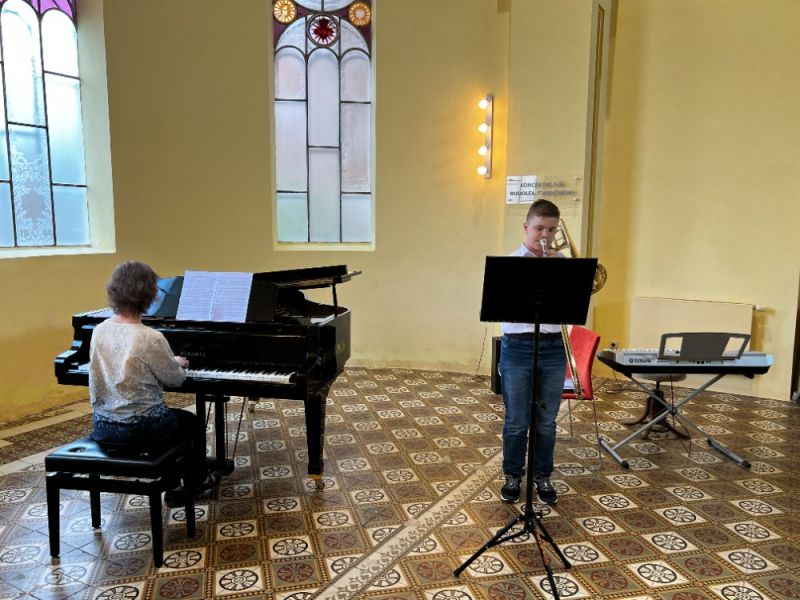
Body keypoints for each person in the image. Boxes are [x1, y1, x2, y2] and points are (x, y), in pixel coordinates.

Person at [89, 260, 216, 505]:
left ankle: (173, 478)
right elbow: (174, 380)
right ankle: (192, 483)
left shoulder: (99, 330)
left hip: (103, 425)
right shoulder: (149, 337)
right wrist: (177, 363)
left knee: (176, 420)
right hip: (142, 429)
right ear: (149, 295)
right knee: (191, 423)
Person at [498, 199, 566, 505]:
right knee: (517, 420)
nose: (545, 235)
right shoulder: (511, 264)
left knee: (546, 421)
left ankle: (543, 476)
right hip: (518, 346)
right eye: (539, 228)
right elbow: (503, 311)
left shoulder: (563, 263)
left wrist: (558, 271)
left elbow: (573, 308)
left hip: (553, 346)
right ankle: (513, 475)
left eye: (551, 230)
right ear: (526, 227)